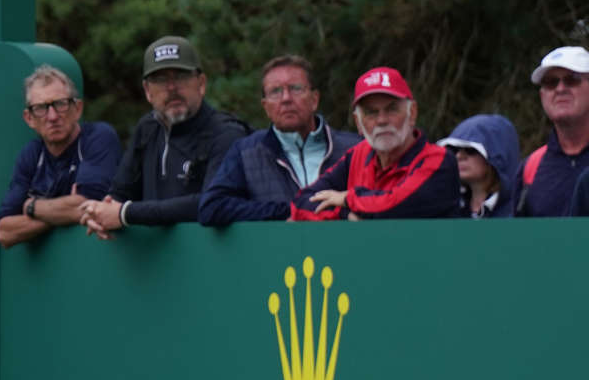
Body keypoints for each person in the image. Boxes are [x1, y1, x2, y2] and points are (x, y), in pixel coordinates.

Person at [81, 35, 247, 239]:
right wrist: (100, 214)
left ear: (201, 84)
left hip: (212, 262)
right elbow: (119, 195)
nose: (171, 88)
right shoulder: (147, 129)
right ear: (148, 91)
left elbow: (211, 203)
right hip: (154, 266)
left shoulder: (227, 133)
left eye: (181, 76)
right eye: (160, 80)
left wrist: (126, 214)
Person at [199, 55, 361, 226]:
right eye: (275, 92)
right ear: (265, 106)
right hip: (278, 251)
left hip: (343, 250)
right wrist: (286, 212)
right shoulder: (246, 152)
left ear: (314, 99)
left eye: (296, 88)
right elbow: (212, 207)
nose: (286, 98)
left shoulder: (354, 148)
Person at [293, 67, 463, 220]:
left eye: (392, 109)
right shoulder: (357, 155)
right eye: (371, 113)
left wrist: (346, 199)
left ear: (412, 113)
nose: (382, 120)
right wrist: (344, 214)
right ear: (358, 123)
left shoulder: (439, 160)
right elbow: (301, 203)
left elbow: (395, 207)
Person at [0, 64, 120, 248]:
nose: (52, 117)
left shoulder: (98, 138)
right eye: (41, 108)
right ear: (29, 118)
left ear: (77, 108)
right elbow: (5, 232)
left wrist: (32, 207)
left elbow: (89, 207)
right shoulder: (31, 155)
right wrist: (65, 213)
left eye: (60, 104)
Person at [517, 46, 589, 216]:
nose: (560, 89)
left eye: (572, 79)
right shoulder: (530, 168)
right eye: (550, 82)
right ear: (542, 95)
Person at [439, 115, 521, 218]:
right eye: (454, 149)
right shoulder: (446, 208)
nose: (459, 156)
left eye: (471, 150)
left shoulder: (520, 211)